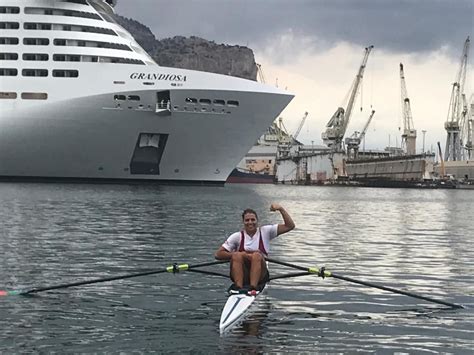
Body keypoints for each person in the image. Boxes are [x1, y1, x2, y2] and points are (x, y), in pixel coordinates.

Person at [215, 203, 295, 296]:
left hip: (260, 274)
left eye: (253, 220)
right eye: (247, 220)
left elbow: (290, 226)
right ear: (243, 222)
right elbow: (218, 254)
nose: (250, 222)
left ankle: (253, 287)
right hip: (243, 274)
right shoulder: (237, 236)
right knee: (237, 255)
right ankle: (238, 288)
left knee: (257, 256)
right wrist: (241, 255)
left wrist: (281, 209)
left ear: (257, 221)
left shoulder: (266, 231)